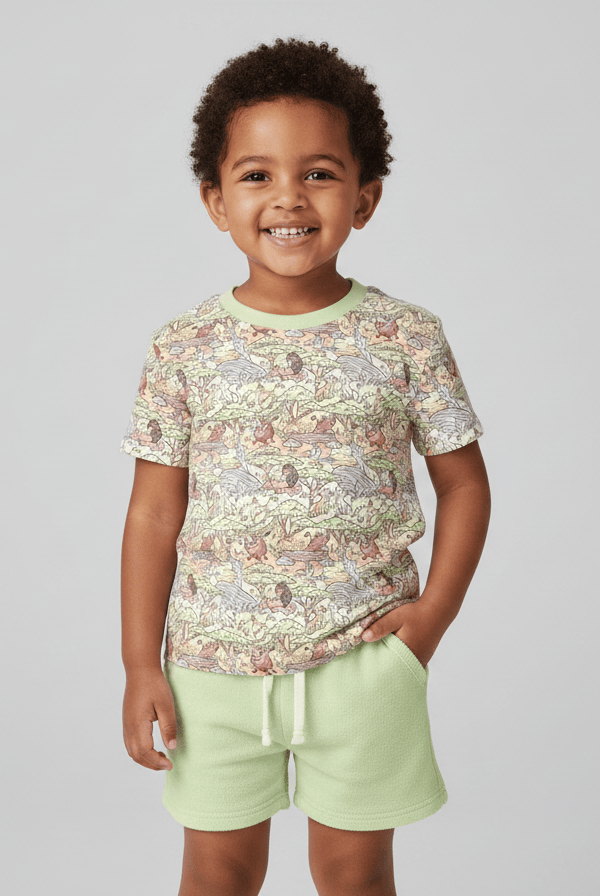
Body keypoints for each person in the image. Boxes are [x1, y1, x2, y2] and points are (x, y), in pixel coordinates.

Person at [120, 37, 491, 896]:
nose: (288, 196)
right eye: (257, 175)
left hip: (363, 664)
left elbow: (464, 483)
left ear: (365, 197)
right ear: (216, 201)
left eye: (319, 173)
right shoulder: (183, 347)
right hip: (211, 668)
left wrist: (431, 620)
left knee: (354, 878)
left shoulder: (405, 336)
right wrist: (141, 662)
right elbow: (152, 513)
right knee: (217, 877)